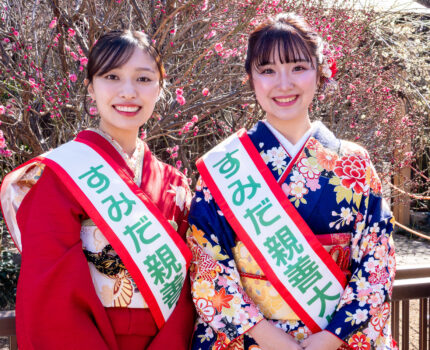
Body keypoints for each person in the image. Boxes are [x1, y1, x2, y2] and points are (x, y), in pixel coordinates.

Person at [187, 13, 396, 350]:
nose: (283, 84)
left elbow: (377, 264)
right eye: (267, 70)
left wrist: (327, 340)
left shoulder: (354, 163)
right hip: (251, 341)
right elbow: (208, 267)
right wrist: (271, 339)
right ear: (251, 79)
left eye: (298, 67)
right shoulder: (223, 167)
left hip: (335, 341)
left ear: (320, 72)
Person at [0, 30, 194, 349]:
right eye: (112, 76)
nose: (128, 91)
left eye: (143, 79)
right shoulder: (57, 176)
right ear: (91, 87)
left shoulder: (175, 184)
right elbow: (52, 298)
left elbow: (186, 295)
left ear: (160, 87)